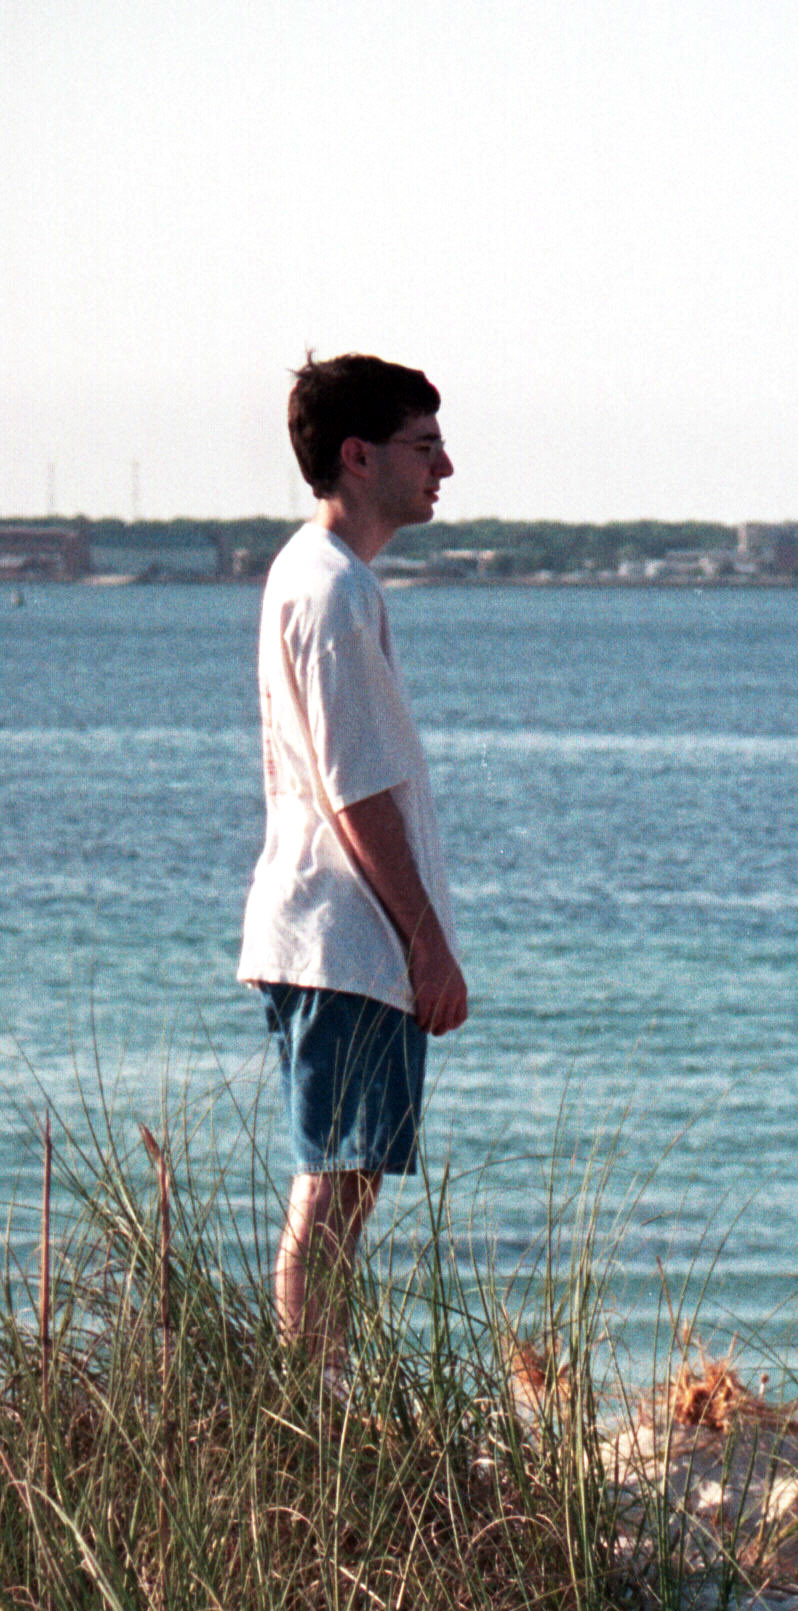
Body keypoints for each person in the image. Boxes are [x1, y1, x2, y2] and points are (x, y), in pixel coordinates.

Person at [238, 353, 468, 1374]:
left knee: (341, 1180)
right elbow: (356, 787)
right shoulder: (330, 591)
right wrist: (426, 943)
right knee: (334, 1186)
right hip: (344, 938)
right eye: (425, 447)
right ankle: (312, 1408)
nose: (446, 467)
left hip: (331, 933)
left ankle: (314, 1399)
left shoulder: (323, 578)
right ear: (358, 455)